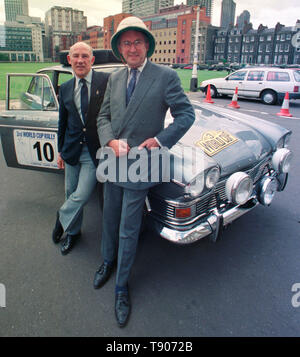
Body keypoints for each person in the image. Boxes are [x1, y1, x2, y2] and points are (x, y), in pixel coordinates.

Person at [94, 16, 195, 327]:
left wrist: (159, 140)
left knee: (128, 226)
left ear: (147, 45)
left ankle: (122, 286)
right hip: (113, 162)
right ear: (120, 48)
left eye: (138, 41)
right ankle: (107, 262)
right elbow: (103, 117)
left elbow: (185, 114)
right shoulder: (114, 78)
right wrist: (110, 140)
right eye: (126, 42)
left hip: (142, 164)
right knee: (109, 218)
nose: (132, 47)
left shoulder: (165, 76)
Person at [52, 42, 109, 255]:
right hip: (71, 150)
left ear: (92, 60)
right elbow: (62, 123)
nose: (80, 60)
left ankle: (61, 218)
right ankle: (73, 232)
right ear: (69, 60)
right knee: (70, 192)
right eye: (75, 56)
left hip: (94, 152)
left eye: (85, 56)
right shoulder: (65, 88)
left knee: (82, 194)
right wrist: (60, 151)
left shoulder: (106, 82)